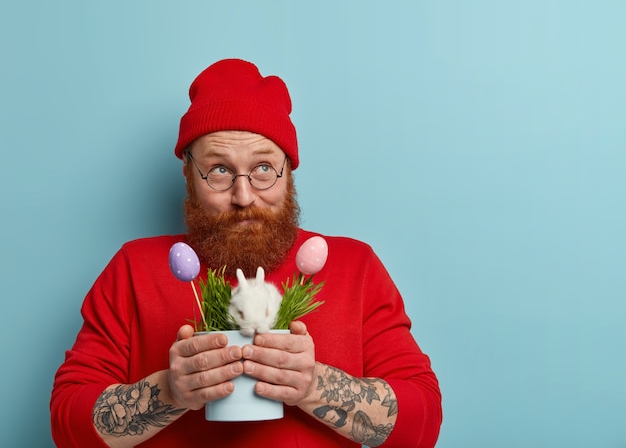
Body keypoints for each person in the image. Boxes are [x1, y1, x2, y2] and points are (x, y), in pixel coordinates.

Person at [50, 58, 442, 447]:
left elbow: (421, 425)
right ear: (188, 175)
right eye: (219, 170)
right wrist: (171, 392)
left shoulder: (355, 267)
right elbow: (67, 427)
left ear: (289, 170)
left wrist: (312, 385)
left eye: (263, 168)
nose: (243, 196)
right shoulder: (134, 269)